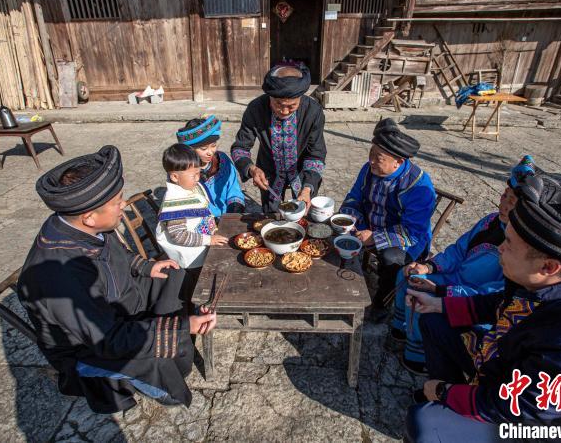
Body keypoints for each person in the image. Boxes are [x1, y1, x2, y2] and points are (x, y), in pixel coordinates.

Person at [404, 175, 561, 443]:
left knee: (425, 423)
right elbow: (500, 303)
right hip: (509, 367)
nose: (499, 248)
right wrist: (439, 302)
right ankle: (456, 398)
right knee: (435, 319)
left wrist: (442, 391)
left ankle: (448, 403)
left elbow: (514, 409)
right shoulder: (555, 279)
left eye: (508, 244)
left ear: (548, 266)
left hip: (545, 421)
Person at [17, 145, 217, 413]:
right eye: (117, 202)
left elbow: (120, 253)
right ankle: (163, 384)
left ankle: (178, 338)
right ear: (89, 217)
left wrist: (146, 267)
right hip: (95, 344)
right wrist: (183, 327)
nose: (123, 206)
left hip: (121, 298)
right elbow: (108, 338)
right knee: (157, 351)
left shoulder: (89, 225)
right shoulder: (59, 278)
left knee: (176, 277)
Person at [390, 155, 539, 374]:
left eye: (512, 202)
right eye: (504, 196)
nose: (504, 204)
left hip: (470, 295)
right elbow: (458, 251)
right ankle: (402, 330)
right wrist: (428, 267)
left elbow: (494, 293)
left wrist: (441, 290)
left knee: (423, 298)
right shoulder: (489, 221)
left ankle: (418, 355)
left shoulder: (520, 248)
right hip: (454, 277)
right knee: (408, 275)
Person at [339, 118, 436, 322]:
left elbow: (412, 232)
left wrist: (374, 237)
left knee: (392, 260)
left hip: (406, 239)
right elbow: (355, 197)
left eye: (378, 157)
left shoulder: (419, 187)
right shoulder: (368, 170)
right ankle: (340, 285)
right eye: (371, 154)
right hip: (371, 223)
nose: (371, 161)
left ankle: (382, 303)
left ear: (398, 162)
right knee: (337, 230)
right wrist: (346, 219)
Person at [231, 64, 326, 213]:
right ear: (270, 96)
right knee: (271, 215)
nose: (284, 111)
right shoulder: (256, 109)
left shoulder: (313, 112)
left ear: (300, 98)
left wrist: (308, 188)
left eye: (292, 105)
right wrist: (251, 169)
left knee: (303, 214)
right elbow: (240, 148)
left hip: (302, 172)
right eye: (278, 104)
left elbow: (316, 154)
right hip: (268, 173)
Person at [155, 144, 228, 270]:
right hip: (192, 258)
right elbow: (179, 236)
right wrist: (208, 240)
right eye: (193, 175)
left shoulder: (190, 187)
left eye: (198, 173)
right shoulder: (175, 201)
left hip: (207, 239)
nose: (198, 178)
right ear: (174, 177)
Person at [175, 116, 245, 217]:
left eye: (213, 145)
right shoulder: (182, 171)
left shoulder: (223, 160)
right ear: (190, 149)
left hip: (226, 215)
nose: (210, 152)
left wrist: (233, 211)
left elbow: (233, 190)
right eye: (203, 148)